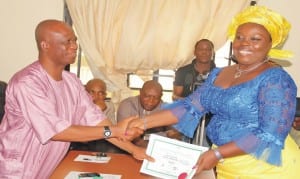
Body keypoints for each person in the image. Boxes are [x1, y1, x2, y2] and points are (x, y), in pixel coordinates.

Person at [126, 6, 300, 178]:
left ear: (271, 44)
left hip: (265, 168)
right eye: (239, 37)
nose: (244, 43)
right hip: (228, 164)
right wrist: (143, 122)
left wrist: (218, 154)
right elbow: (189, 107)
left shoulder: (276, 80)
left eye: (255, 39)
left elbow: (269, 135)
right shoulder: (221, 73)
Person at [0, 19, 152, 178]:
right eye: (67, 42)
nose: (74, 46)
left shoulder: (71, 82)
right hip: (14, 171)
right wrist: (114, 130)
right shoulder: (27, 83)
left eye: (74, 40)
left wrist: (135, 150)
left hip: (45, 169)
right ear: (46, 45)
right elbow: (57, 132)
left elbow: (98, 122)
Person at [173, 39, 216, 146]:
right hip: (187, 119)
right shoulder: (183, 71)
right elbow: (175, 96)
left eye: (208, 49)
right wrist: (191, 102)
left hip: (210, 122)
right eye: (201, 49)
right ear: (195, 52)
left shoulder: (220, 73)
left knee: (205, 155)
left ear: (212, 52)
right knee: (184, 153)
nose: (204, 52)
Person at [117, 80, 180, 148]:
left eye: (156, 98)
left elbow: (175, 134)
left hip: (156, 147)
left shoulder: (166, 109)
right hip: (128, 148)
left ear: (161, 96)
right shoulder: (127, 105)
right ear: (140, 92)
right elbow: (123, 135)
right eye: (147, 96)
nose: (151, 102)